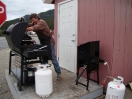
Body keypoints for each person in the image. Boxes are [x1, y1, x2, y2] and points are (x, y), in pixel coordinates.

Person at [26, 13, 61, 80]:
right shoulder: (34, 23)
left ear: (36, 17)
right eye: (31, 20)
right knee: (44, 57)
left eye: (33, 19)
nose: (32, 21)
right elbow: (29, 25)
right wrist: (23, 24)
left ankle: (58, 73)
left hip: (49, 42)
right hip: (44, 43)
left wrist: (26, 29)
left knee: (53, 58)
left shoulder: (41, 22)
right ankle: (45, 73)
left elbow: (34, 28)